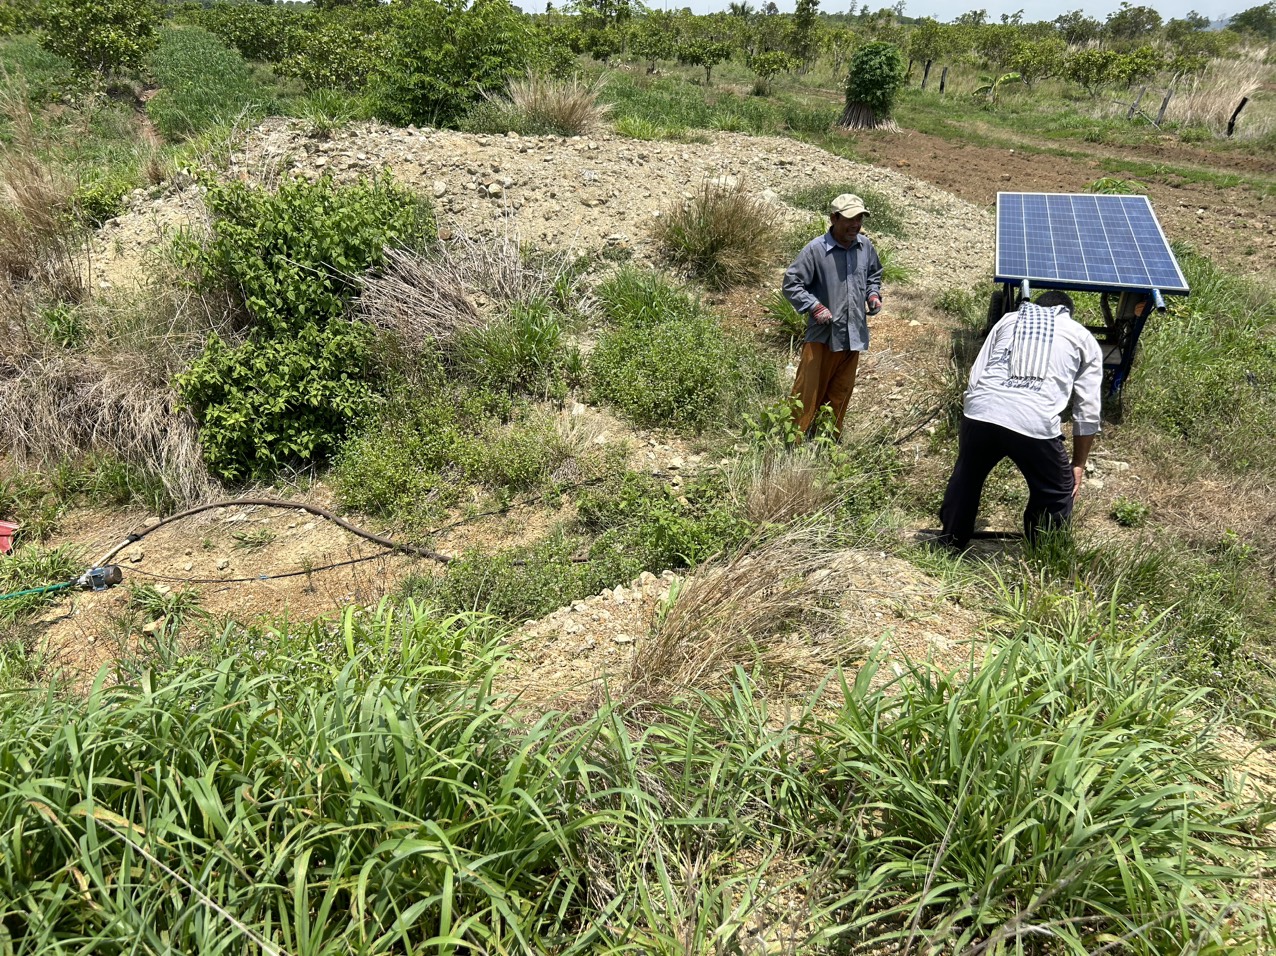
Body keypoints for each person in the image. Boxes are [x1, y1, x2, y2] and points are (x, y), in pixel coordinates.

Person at [938, 290, 1103, 550]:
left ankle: (951, 542)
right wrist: (1079, 464)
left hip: (981, 410)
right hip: (1033, 420)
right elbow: (1088, 407)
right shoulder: (1082, 336)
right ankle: (1044, 554)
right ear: (1068, 313)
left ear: (1036, 307)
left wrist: (976, 409)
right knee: (1056, 491)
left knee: (967, 475)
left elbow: (977, 371)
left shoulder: (1010, 319)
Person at [781, 193, 883, 438]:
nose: (856, 224)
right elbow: (791, 283)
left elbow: (873, 275)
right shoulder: (816, 250)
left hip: (853, 335)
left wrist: (873, 294)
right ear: (834, 218)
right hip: (822, 337)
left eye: (860, 218)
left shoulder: (865, 246)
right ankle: (792, 444)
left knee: (840, 394)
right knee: (806, 394)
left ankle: (826, 443)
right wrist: (814, 307)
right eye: (850, 219)